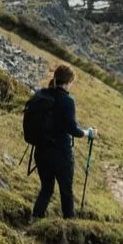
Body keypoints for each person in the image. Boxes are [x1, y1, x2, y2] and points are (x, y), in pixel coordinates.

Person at [31, 65, 93, 219]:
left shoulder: (41, 95)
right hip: (61, 154)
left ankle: (36, 218)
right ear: (68, 81)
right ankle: (69, 222)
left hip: (41, 150)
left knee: (46, 188)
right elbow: (73, 130)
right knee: (66, 190)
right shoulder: (67, 101)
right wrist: (88, 132)